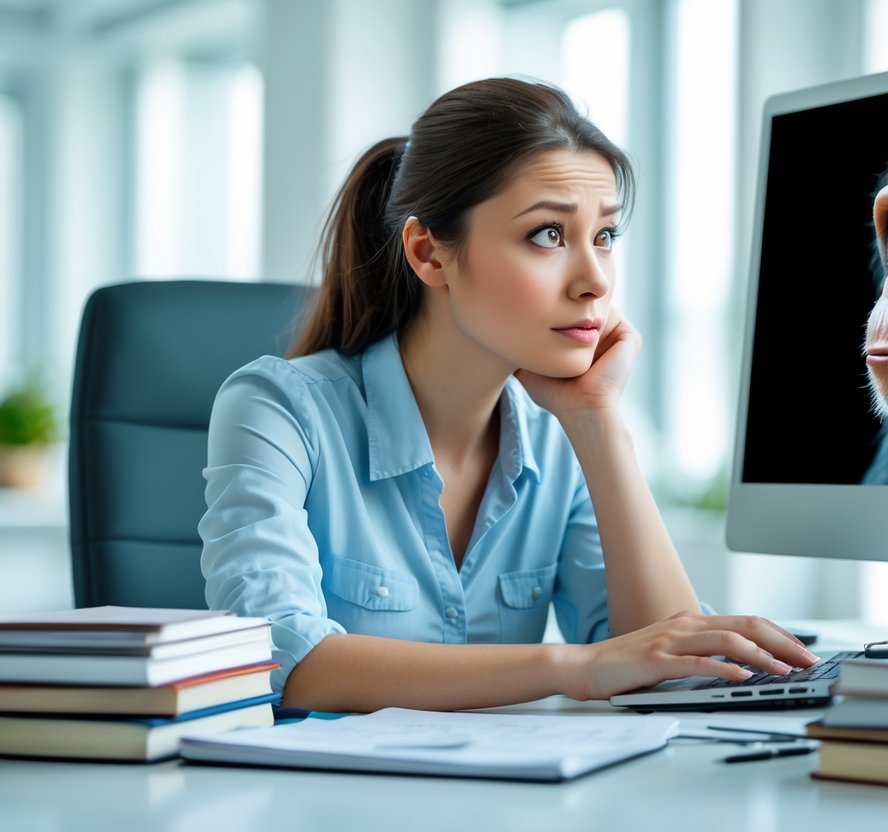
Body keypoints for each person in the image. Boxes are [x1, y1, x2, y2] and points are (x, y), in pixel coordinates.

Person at [199, 77, 817, 713]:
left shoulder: (558, 437)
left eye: (604, 236)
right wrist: (571, 666)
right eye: (548, 234)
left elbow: (670, 666)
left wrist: (597, 419)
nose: (595, 281)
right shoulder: (277, 408)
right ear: (429, 254)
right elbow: (277, 655)